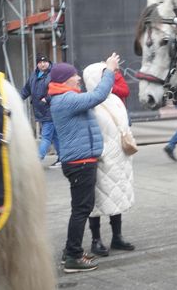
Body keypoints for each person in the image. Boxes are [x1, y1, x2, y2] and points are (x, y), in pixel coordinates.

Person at [48, 53, 119, 273]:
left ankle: (72, 251)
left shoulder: (66, 97)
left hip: (81, 162)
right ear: (64, 80)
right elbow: (98, 95)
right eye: (74, 76)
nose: (78, 78)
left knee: (80, 208)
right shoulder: (65, 100)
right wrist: (109, 71)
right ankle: (73, 257)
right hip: (80, 163)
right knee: (81, 209)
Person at [82, 62, 136, 258]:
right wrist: (98, 153)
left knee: (117, 195)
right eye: (105, 74)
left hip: (120, 158)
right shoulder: (89, 102)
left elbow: (125, 125)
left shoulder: (115, 99)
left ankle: (117, 236)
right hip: (100, 159)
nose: (109, 78)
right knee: (95, 202)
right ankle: (96, 239)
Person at [20, 53, 60, 167]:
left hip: (50, 110)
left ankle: (37, 159)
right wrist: (17, 99)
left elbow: (58, 89)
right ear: (37, 64)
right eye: (40, 62)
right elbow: (26, 90)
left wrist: (47, 99)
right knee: (54, 136)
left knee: (46, 136)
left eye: (45, 62)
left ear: (49, 62)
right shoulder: (34, 75)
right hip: (40, 110)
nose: (42, 64)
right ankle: (63, 158)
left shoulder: (53, 74)